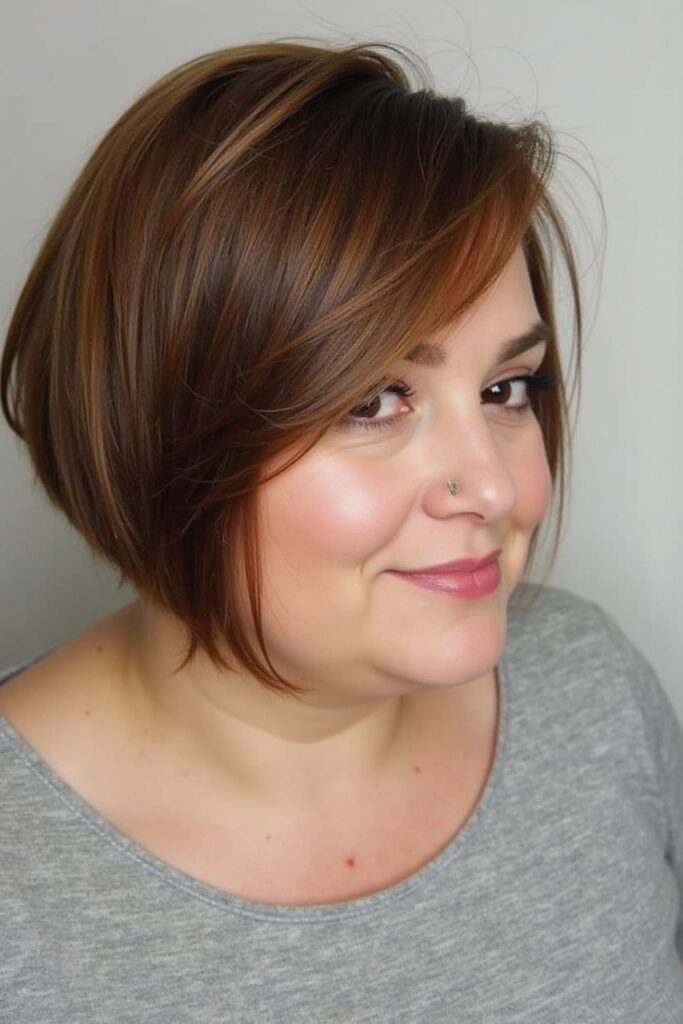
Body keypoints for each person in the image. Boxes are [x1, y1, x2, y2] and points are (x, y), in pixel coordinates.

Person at [0, 38, 681, 1023]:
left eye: (505, 389)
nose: (493, 487)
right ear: (157, 426)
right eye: (372, 400)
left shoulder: (589, 689)